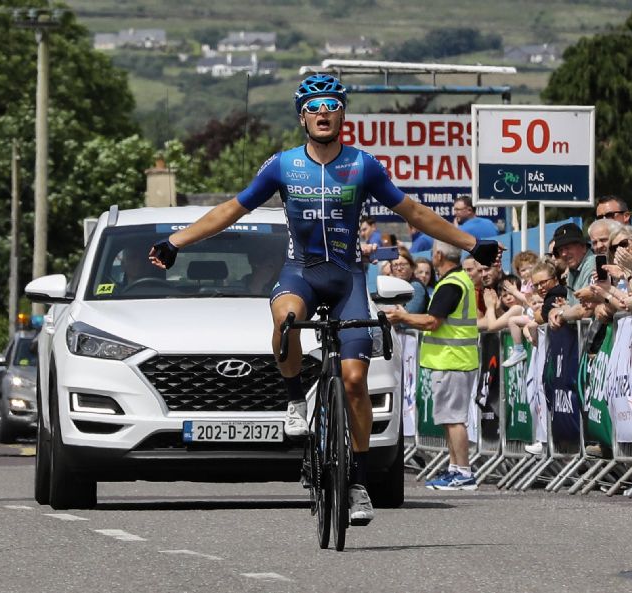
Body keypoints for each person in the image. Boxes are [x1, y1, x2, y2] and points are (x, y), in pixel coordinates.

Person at [149, 74, 500, 524]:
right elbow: (231, 210)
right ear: (302, 117)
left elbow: (414, 212)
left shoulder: (363, 165)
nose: (323, 112)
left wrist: (472, 244)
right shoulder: (282, 165)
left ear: (342, 114)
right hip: (302, 273)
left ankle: (355, 482)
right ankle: (296, 398)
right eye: (314, 107)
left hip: (348, 277)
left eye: (331, 104)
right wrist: (176, 241)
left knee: (354, 380)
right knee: (286, 320)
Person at [385, 241, 479, 490]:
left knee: (454, 419)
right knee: (450, 418)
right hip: (454, 359)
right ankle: (455, 468)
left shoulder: (451, 283)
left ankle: (463, 472)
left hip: (453, 359)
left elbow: (431, 321)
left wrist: (402, 316)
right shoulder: (457, 280)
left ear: (438, 255)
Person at [548, 223, 595, 330]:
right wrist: (554, 311)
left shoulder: (592, 263)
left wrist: (561, 314)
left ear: (583, 247)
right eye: (560, 250)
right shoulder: (573, 269)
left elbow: (585, 310)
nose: (564, 254)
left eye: (568, 248)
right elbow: (571, 305)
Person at [390, 247, 429, 315]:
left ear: (412, 267)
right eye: (395, 265)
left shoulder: (415, 287)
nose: (399, 268)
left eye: (403, 265)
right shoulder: (396, 288)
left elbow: (408, 320)